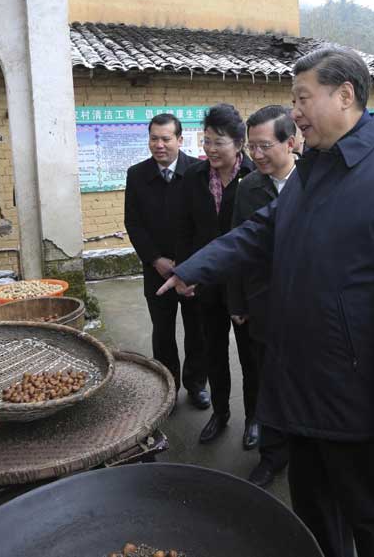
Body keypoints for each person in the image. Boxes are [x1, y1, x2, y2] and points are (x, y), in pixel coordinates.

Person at [160, 46, 374, 557]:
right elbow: (261, 231)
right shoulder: (315, 167)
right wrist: (195, 267)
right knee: (316, 518)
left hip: (362, 399)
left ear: (345, 96)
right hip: (301, 383)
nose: (294, 111)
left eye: (302, 98)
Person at [176, 103, 255, 445]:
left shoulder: (254, 178)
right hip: (206, 284)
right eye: (206, 140)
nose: (210, 148)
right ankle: (220, 413)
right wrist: (188, 272)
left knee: (251, 356)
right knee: (213, 352)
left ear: (238, 143)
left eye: (218, 141)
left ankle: (256, 418)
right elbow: (185, 229)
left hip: (243, 286)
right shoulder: (193, 177)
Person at [124, 113, 209, 410]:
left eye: (166, 139)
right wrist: (155, 259)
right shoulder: (137, 174)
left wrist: (188, 265)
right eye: (154, 139)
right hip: (156, 270)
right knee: (162, 331)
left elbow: (204, 224)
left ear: (180, 140)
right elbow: (133, 223)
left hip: (191, 270)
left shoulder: (199, 171)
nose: (159, 145)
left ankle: (197, 384)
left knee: (196, 330)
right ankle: (167, 386)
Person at [228, 105, 293, 486]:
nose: (257, 155)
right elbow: (237, 246)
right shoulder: (249, 187)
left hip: (307, 309)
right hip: (263, 304)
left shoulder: (315, 182)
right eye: (252, 147)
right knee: (267, 382)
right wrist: (237, 302)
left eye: (265, 146)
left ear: (291, 141)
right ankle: (272, 455)